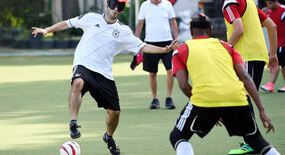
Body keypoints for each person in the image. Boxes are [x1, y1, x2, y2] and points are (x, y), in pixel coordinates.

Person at [31, 0, 178, 154]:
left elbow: (143, 46)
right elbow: (67, 23)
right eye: (114, 4)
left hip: (104, 74)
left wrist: (164, 50)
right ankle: (73, 123)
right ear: (107, 5)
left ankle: (109, 137)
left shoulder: (123, 31)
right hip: (84, 65)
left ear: (121, 10)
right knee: (77, 83)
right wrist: (47, 30)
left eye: (120, 7)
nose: (116, 9)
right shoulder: (90, 18)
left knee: (115, 113)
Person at [169, 13, 280, 155]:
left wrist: (206, 105)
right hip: (237, 99)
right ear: (210, 31)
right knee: (256, 141)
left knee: (178, 137)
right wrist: (262, 110)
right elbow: (245, 77)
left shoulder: (181, 50)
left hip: (204, 100)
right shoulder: (227, 46)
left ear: (191, 32)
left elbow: (183, 85)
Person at [222, 0, 278, 153]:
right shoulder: (250, 2)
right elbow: (272, 26)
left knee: (243, 98)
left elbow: (239, 29)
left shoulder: (230, 3)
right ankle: (251, 141)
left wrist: (224, 49)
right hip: (259, 55)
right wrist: (272, 54)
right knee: (243, 98)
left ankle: (253, 142)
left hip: (245, 56)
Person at [135, 0, 178, 109]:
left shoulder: (167, 4)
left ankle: (169, 97)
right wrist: (136, 40)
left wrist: (176, 40)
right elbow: (140, 23)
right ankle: (155, 99)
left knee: (170, 70)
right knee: (152, 73)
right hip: (150, 43)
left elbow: (173, 22)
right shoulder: (144, 5)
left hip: (167, 42)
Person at [261, 0, 285, 93]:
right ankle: (270, 84)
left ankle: (271, 83)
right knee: (277, 64)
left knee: (283, 65)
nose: (269, 5)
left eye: (270, 3)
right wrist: (262, 14)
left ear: (276, 1)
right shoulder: (269, 13)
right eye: (267, 4)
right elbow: (261, 25)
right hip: (276, 43)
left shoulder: (283, 10)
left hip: (283, 43)